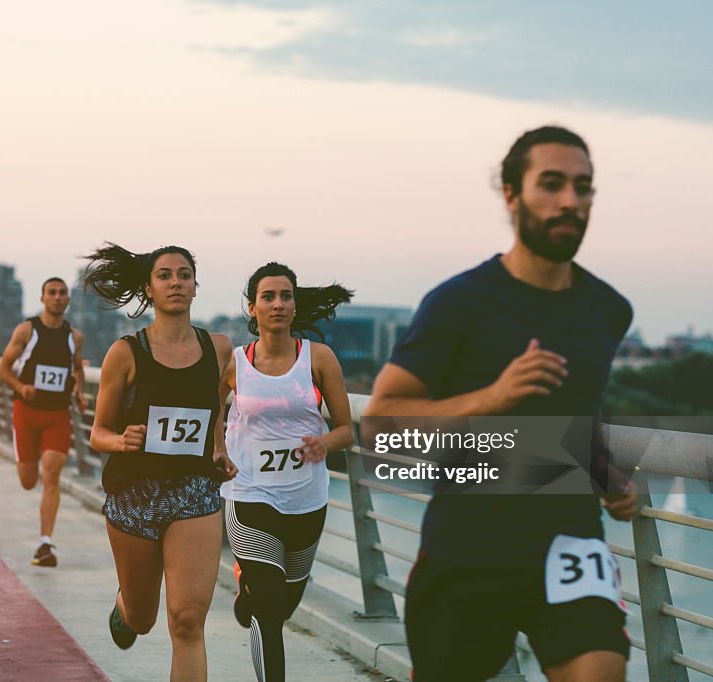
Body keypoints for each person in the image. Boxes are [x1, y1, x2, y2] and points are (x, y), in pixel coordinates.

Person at [365, 125, 638, 682]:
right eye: (552, 184)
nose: (570, 201)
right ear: (511, 194)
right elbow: (380, 424)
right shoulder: (459, 303)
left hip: (570, 546)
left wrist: (607, 473)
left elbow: (574, 418)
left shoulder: (608, 309)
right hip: (469, 551)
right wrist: (494, 396)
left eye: (583, 187)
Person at [85, 243, 234, 682]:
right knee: (144, 619)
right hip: (134, 494)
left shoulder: (219, 348)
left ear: (195, 286)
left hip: (194, 493)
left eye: (184, 274)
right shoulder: (126, 353)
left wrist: (219, 445)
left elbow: (217, 405)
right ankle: (124, 607)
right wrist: (121, 440)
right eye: (165, 275)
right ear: (149, 290)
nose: (176, 282)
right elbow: (98, 433)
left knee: (187, 621)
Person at [217, 263, 353, 682]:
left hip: (305, 499)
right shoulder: (235, 363)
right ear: (252, 308)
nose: (278, 304)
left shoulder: (319, 359)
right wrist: (217, 452)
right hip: (250, 494)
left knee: (286, 602)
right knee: (270, 610)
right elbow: (207, 415)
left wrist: (324, 443)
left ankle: (248, 590)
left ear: (295, 306)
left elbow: (346, 429)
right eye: (268, 297)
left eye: (286, 296)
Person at [0, 277, 89, 568]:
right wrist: (20, 387)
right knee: (29, 480)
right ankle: (30, 461)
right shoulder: (26, 331)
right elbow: (3, 366)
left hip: (57, 415)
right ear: (42, 298)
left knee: (52, 475)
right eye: (52, 293)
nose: (58, 297)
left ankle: (45, 543)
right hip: (26, 411)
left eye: (63, 293)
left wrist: (79, 393)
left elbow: (76, 368)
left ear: (68, 300)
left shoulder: (74, 337)